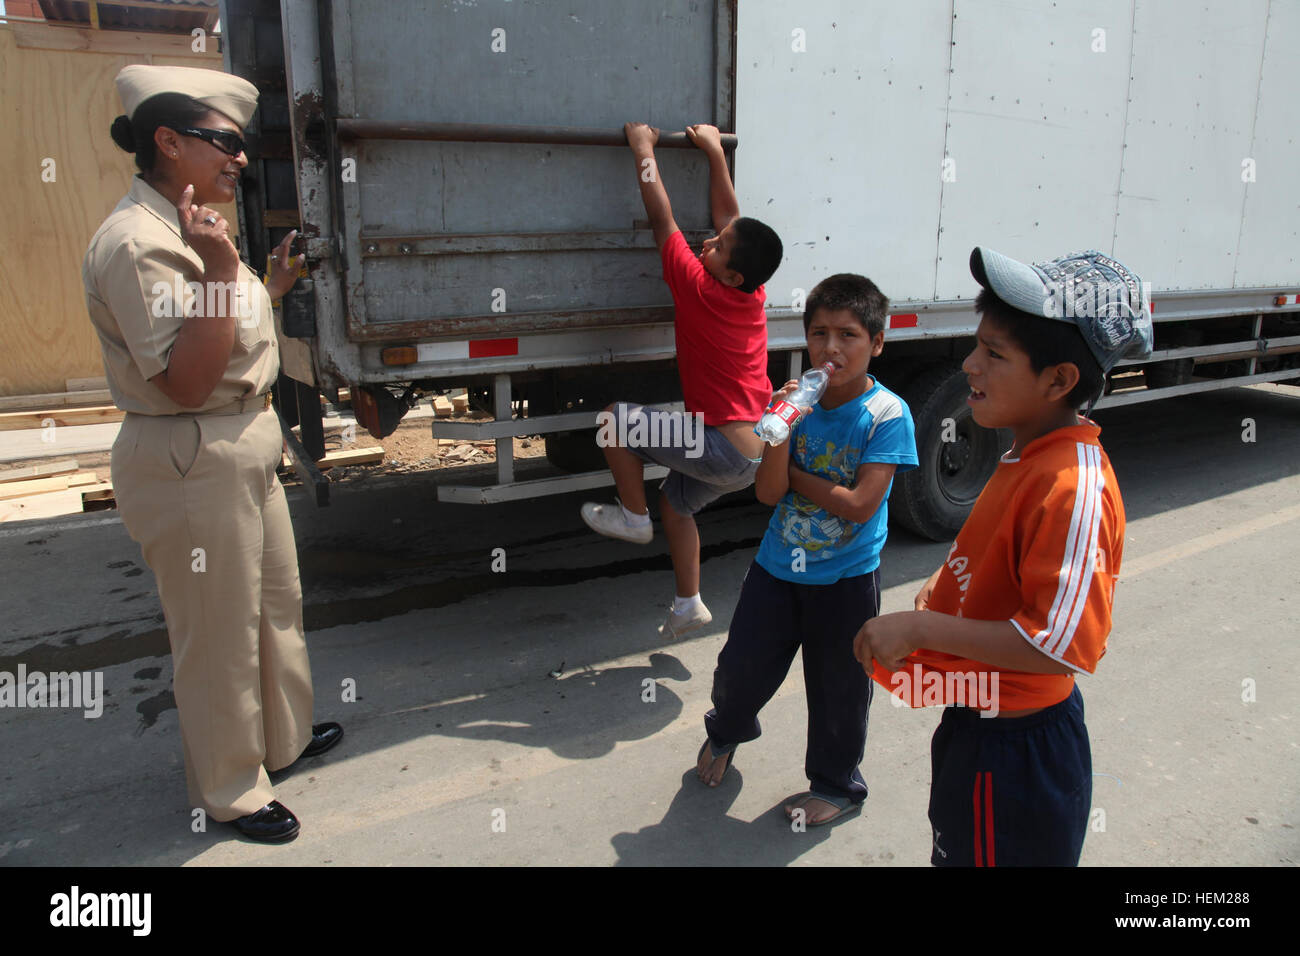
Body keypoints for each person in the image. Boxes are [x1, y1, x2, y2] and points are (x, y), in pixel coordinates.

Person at [82, 64, 343, 843]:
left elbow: (222, 329)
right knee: (218, 633)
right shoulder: (138, 244)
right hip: (192, 452)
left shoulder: (187, 225)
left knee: (272, 610)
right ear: (167, 141)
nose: (240, 158)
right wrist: (228, 271)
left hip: (239, 444)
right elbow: (191, 380)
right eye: (224, 142)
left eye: (243, 143)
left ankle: (278, 744)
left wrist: (265, 278)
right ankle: (230, 787)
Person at [854, 247, 1152, 865]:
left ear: (1059, 380)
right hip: (976, 722)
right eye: (976, 345)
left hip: (1017, 749)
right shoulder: (1027, 454)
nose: (970, 365)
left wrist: (920, 625)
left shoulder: (1073, 484)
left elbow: (1058, 644)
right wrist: (941, 590)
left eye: (994, 353)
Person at [695, 274, 919, 826]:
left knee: (839, 688)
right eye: (819, 334)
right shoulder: (793, 403)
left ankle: (836, 785)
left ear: (877, 343)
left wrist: (796, 474)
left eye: (849, 335)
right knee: (740, 670)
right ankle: (725, 733)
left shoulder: (887, 414)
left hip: (846, 577)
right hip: (777, 567)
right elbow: (769, 493)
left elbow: (861, 504)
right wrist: (782, 427)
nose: (832, 349)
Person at [580, 122, 783, 638]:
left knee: (612, 422)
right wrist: (715, 153)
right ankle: (689, 602)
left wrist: (644, 150)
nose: (707, 242)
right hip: (752, 454)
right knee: (676, 504)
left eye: (716, 248)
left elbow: (659, 216)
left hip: (721, 446)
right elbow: (731, 217)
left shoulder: (699, 287)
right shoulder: (750, 294)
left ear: (731, 275)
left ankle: (631, 516)